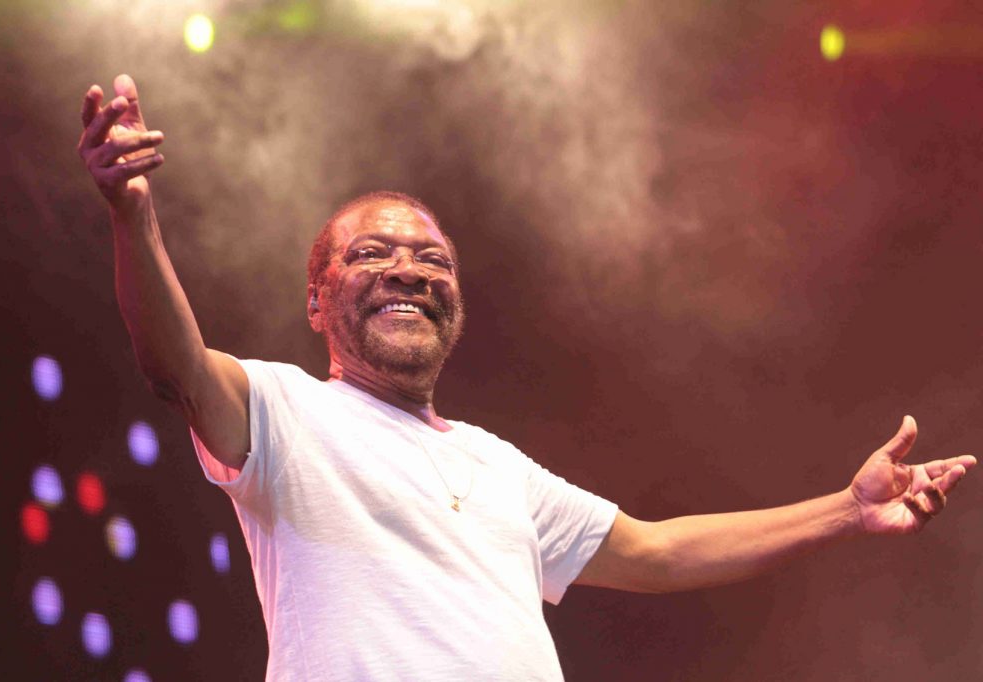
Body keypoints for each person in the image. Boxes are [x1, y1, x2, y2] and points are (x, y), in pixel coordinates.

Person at [78, 75, 976, 681]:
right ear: (317, 300)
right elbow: (175, 365)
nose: (409, 270)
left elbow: (657, 552)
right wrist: (132, 216)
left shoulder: (497, 466)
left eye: (434, 259)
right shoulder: (283, 410)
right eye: (373, 254)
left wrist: (846, 510)